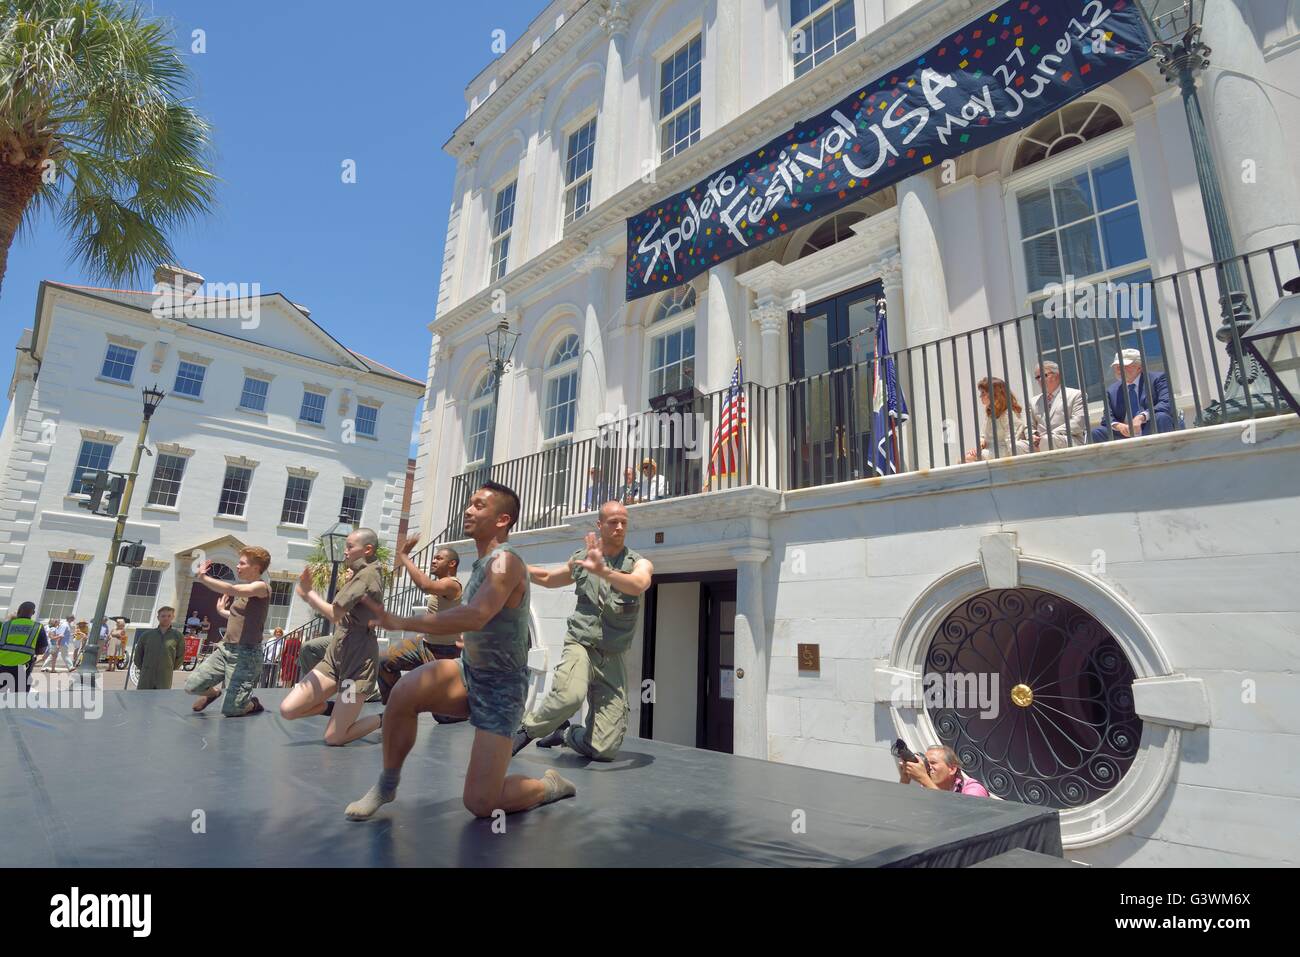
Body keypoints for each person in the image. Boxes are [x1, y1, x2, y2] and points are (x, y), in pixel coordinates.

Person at [345, 481, 576, 821]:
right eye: (469, 503)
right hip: (468, 672)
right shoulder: (483, 564)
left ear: (502, 519)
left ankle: (549, 785)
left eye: (479, 505)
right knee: (403, 695)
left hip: (502, 689)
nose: (468, 510)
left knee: (481, 803)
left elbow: (478, 614)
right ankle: (387, 784)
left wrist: (402, 620)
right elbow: (492, 614)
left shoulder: (505, 561)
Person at [512, 501, 653, 760]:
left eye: (624, 522)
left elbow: (638, 584)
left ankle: (565, 735)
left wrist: (605, 571)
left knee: (604, 749)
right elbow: (548, 578)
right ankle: (524, 731)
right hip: (581, 644)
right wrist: (517, 568)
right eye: (613, 522)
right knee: (570, 697)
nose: (620, 527)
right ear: (599, 525)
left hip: (612, 654)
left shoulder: (637, 562)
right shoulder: (581, 558)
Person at [278, 529, 386, 746]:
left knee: (334, 738)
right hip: (334, 659)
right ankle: (334, 709)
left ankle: (386, 718)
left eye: (350, 547)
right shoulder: (356, 573)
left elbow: (335, 614)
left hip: (356, 668)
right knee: (288, 710)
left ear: (367, 549)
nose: (345, 552)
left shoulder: (367, 576)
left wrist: (309, 594)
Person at [377, 536, 466, 717]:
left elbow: (425, 585)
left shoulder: (452, 584)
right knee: (384, 661)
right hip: (422, 645)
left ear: (452, 564)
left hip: (444, 653)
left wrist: (404, 556)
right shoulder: (440, 585)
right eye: (434, 557)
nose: (433, 560)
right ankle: (396, 705)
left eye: (439, 558)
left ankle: (464, 709)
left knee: (442, 714)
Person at [183, 549, 272, 717]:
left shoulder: (262, 587)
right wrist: (221, 611)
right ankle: (214, 694)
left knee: (232, 710)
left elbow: (232, 589)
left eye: (242, 563)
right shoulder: (246, 592)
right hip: (225, 650)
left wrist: (203, 577)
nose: (237, 566)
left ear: (256, 567)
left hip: (246, 655)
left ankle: (252, 703)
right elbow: (239, 617)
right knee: (192, 686)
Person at [1090, 348, 1176, 442]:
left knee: (1161, 417)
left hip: (1149, 425)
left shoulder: (1158, 379)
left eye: (1124, 366)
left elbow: (1166, 403)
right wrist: (1118, 426)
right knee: (1096, 432)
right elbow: (1107, 418)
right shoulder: (1112, 390)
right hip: (1125, 432)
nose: (1119, 370)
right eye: (1116, 366)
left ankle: (1166, 454)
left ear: (1139, 367)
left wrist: (1141, 417)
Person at [965, 377, 1031, 461]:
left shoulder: (1009, 413)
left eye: (983, 393)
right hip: (989, 449)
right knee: (966, 458)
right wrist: (978, 447)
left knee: (968, 459)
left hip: (1003, 450)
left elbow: (1011, 442)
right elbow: (983, 436)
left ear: (994, 394)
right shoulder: (990, 413)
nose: (980, 396)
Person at [1029, 360, 1086, 450]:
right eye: (1037, 377)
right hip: (1040, 441)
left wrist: (1051, 434)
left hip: (1067, 439)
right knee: (1017, 446)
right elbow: (1030, 425)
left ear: (1057, 375)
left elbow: (1078, 422)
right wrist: (1032, 435)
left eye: (1044, 375)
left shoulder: (1076, 395)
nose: (1040, 380)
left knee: (1048, 440)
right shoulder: (1034, 401)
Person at [898, 745, 989, 797]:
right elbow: (899, 810)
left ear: (952, 769)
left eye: (933, 763)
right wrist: (904, 779)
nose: (927, 767)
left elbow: (962, 819)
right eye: (926, 763)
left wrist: (924, 779)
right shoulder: (926, 788)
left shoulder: (974, 789)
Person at [0, 602, 48, 693]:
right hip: (23, 667)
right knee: (19, 698)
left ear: (18, 611)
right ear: (33, 613)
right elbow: (42, 650)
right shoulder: (37, 627)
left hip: (1, 665)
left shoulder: (5, 625)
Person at [133, 607, 186, 690]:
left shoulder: (178, 636)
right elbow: (138, 656)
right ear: (158, 617)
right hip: (146, 676)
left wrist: (169, 667)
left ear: (173, 617)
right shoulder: (147, 635)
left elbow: (180, 656)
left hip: (165, 676)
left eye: (169, 616)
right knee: (142, 699)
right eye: (163, 616)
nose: (166, 618)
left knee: (161, 700)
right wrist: (145, 668)